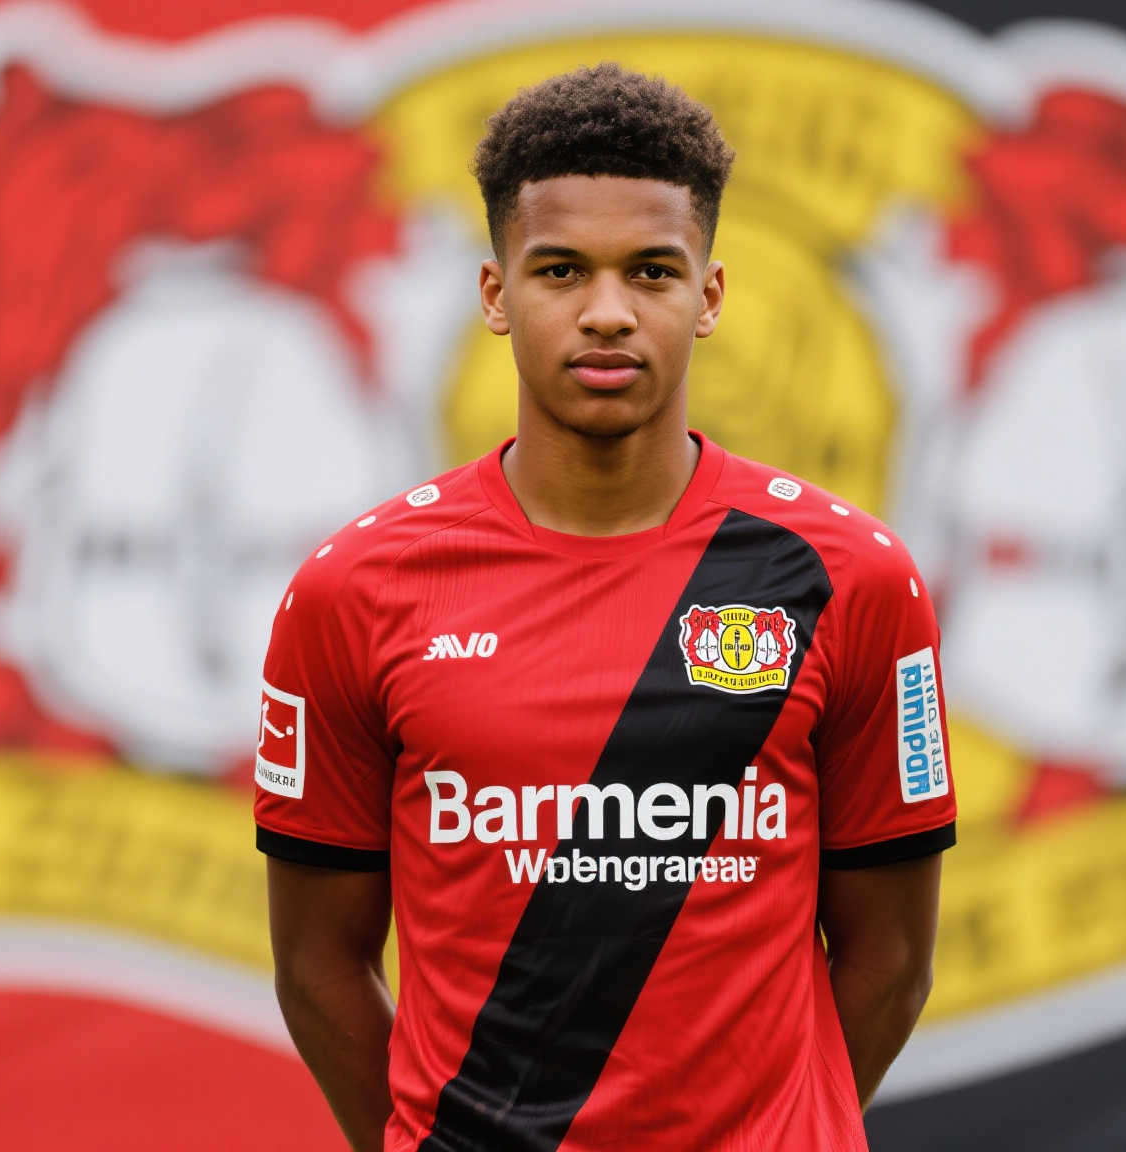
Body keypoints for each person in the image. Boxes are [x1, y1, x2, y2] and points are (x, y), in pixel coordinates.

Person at [257, 63, 955, 1152]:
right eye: (560, 271)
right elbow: (316, 967)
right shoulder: (355, 590)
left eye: (651, 272)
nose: (607, 313)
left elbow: (892, 961)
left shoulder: (850, 578)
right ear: (495, 295)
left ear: (708, 296)